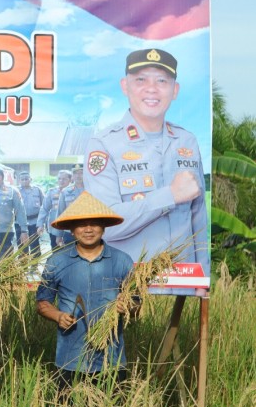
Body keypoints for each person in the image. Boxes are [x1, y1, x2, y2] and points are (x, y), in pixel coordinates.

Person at [83, 48, 208, 285]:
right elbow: (104, 227)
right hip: (128, 288)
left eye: (162, 80)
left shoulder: (187, 141)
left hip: (183, 286)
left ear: (175, 90)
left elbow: (198, 218)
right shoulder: (104, 144)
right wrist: (169, 195)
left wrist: (203, 278)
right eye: (141, 80)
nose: (152, 88)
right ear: (125, 86)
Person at [35, 191, 137, 392]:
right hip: (70, 359)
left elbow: (135, 304)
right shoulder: (57, 261)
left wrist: (128, 307)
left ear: (104, 227)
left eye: (94, 223)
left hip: (112, 360)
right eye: (81, 224)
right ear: (72, 230)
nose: (88, 229)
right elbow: (42, 303)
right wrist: (58, 316)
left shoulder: (122, 261)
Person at [0, 167, 28, 270]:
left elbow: (20, 210)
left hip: (5, 233)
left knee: (6, 263)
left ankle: (7, 284)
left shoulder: (12, 191)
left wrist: (24, 230)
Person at [37, 170, 71, 250]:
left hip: (69, 229)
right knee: (56, 252)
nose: (61, 181)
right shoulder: (51, 192)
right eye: (59, 179)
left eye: (64, 179)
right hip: (54, 228)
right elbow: (44, 209)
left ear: (70, 179)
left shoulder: (73, 192)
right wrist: (40, 224)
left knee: (69, 252)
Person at [55, 165, 85, 246]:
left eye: (81, 173)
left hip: (88, 231)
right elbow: (60, 213)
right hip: (70, 231)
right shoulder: (66, 191)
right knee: (71, 256)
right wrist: (59, 234)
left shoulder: (91, 190)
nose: (78, 176)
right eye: (76, 173)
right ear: (72, 176)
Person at [16, 171, 44, 255]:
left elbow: (44, 206)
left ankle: (34, 266)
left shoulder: (37, 190)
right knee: (21, 245)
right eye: (22, 179)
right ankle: (23, 266)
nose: (24, 181)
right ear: (19, 180)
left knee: (34, 244)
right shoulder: (16, 191)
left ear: (30, 179)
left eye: (26, 179)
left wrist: (42, 223)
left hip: (34, 222)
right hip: (20, 222)